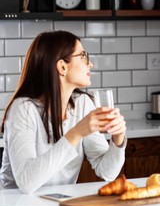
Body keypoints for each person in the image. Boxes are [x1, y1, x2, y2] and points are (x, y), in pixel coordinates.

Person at [0, 30, 127, 194]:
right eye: (83, 56)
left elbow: (107, 172)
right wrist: (77, 133)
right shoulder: (23, 109)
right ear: (62, 66)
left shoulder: (82, 104)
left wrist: (118, 139)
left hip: (58, 202)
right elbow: (27, 182)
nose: (90, 64)